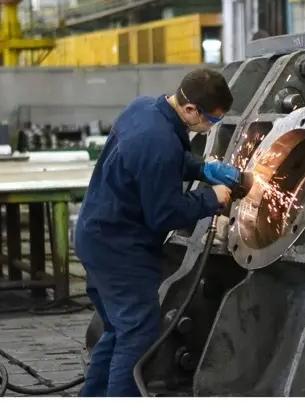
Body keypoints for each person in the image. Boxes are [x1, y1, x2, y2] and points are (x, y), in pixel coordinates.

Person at [75, 68, 235, 397]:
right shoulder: (159, 141)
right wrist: (211, 198)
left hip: (96, 236)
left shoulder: (144, 108)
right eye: (211, 120)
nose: (210, 126)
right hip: (119, 251)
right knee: (137, 336)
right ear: (190, 109)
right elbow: (165, 214)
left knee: (116, 331)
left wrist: (203, 168)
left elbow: (159, 161)